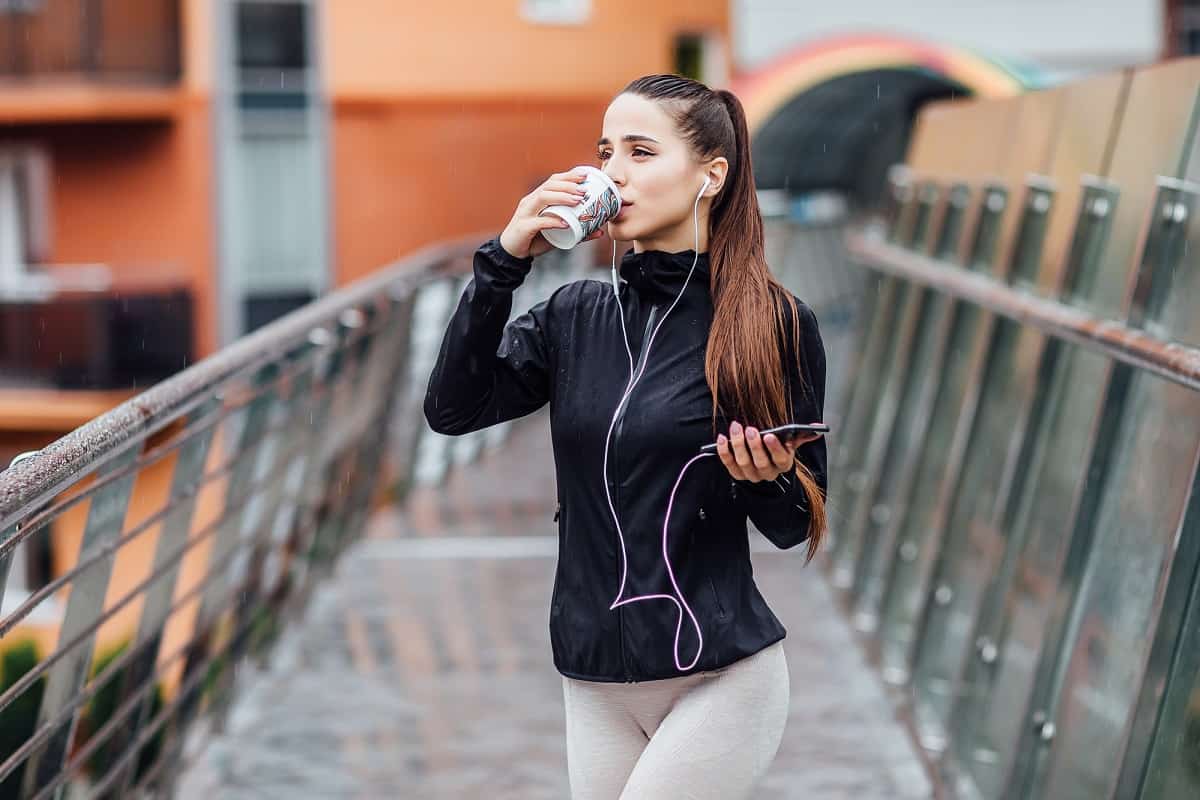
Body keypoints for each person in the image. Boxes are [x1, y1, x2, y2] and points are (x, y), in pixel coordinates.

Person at [424, 73, 828, 800]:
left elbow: (795, 524)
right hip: (594, 678)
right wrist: (504, 261)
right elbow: (452, 409)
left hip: (721, 676)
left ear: (711, 175)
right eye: (606, 152)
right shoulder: (572, 316)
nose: (613, 172)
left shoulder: (771, 323)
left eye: (641, 152)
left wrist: (762, 476)